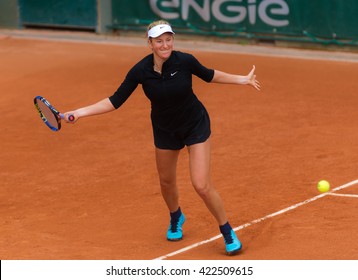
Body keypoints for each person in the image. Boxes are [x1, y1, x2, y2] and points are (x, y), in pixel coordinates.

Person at [64, 20, 260, 255]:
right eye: (159, 41)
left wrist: (242, 79)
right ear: (150, 44)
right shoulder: (140, 71)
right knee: (166, 182)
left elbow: (209, 75)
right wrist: (79, 113)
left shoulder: (185, 61)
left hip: (194, 125)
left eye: (168, 39)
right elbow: (114, 101)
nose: (165, 45)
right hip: (165, 130)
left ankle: (227, 230)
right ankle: (176, 216)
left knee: (202, 185)